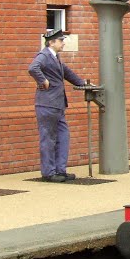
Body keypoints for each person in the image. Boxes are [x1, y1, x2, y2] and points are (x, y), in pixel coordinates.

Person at [28, 28, 88, 183]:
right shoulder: (44, 55)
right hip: (47, 104)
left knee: (63, 136)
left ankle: (60, 170)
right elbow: (33, 68)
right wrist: (43, 81)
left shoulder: (56, 57)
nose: (63, 43)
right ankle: (48, 172)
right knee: (48, 139)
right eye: (61, 41)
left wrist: (84, 84)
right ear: (51, 42)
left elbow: (67, 73)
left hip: (58, 105)